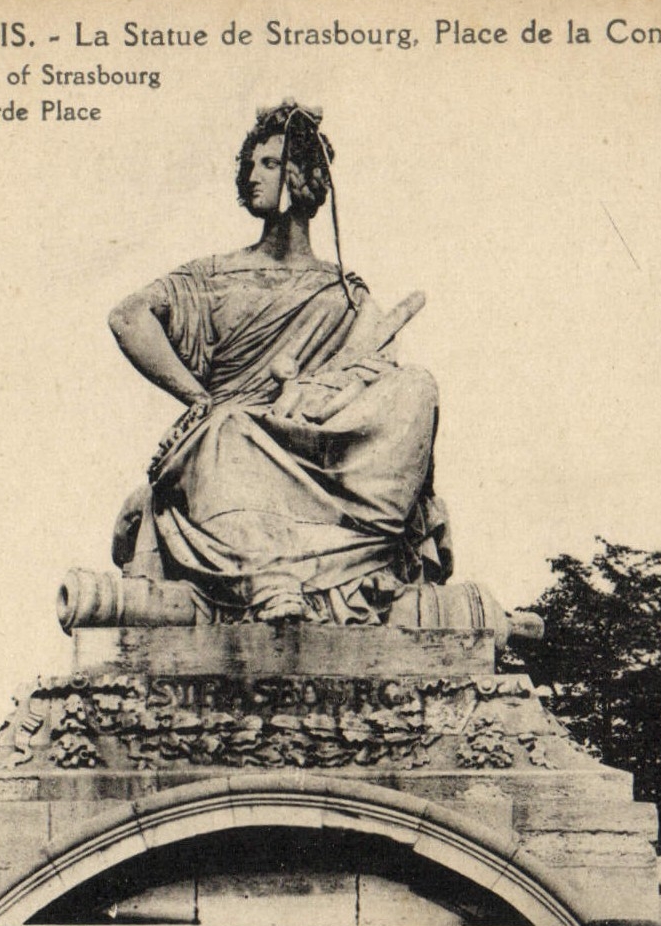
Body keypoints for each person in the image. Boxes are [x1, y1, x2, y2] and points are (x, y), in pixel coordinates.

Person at [108, 101, 448, 623]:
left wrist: (318, 399)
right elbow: (128, 317)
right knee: (227, 429)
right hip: (233, 441)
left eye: (269, 163)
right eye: (249, 165)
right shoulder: (215, 276)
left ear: (305, 176)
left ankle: (344, 551)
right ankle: (267, 578)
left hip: (319, 444)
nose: (251, 176)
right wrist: (198, 399)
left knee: (418, 385)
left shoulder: (345, 294)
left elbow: (376, 372)